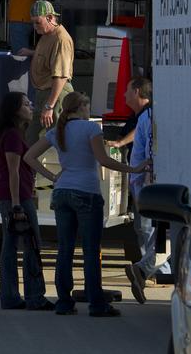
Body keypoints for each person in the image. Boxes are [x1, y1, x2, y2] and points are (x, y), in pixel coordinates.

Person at [24, 91, 147, 317]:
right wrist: (134, 169)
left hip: (62, 192)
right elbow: (103, 160)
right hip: (86, 192)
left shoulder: (56, 131)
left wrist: (53, 177)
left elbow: (29, 156)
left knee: (65, 249)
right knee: (91, 250)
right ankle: (96, 303)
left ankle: (63, 301)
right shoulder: (91, 129)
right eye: (88, 107)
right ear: (82, 108)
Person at [0, 91, 52, 311]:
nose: (31, 107)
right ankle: (34, 296)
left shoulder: (6, 133)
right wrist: (17, 203)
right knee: (31, 244)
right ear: (15, 110)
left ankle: (10, 296)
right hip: (15, 198)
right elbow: (13, 170)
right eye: (26, 104)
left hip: (7, 195)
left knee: (10, 245)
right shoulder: (13, 136)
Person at [20, 0, 74, 145]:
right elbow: (48, 56)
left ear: (50, 18)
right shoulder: (46, 35)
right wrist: (32, 53)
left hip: (55, 95)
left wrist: (50, 106)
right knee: (32, 138)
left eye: (37, 22)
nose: (34, 27)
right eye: (33, 23)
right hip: (44, 95)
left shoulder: (61, 39)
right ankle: (32, 167)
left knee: (54, 139)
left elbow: (61, 76)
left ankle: (53, 167)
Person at [122, 77, 156, 304]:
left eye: (127, 91)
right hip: (140, 182)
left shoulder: (149, 115)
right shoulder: (144, 116)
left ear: (137, 91)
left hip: (146, 183)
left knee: (152, 231)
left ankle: (145, 269)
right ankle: (144, 271)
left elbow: (151, 149)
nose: (124, 95)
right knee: (144, 230)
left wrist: (145, 177)